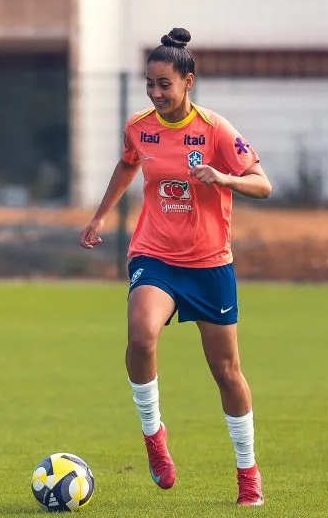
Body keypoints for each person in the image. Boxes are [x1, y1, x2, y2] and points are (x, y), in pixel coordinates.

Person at [78, 28, 272, 507]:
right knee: (141, 336)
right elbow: (129, 164)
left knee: (227, 373)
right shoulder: (139, 127)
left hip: (209, 264)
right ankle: (154, 437)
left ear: (188, 81)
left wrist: (223, 176)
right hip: (155, 255)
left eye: (164, 84)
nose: (155, 93)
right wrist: (101, 214)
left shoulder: (215, 130)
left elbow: (263, 184)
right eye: (150, 83)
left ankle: (247, 471)